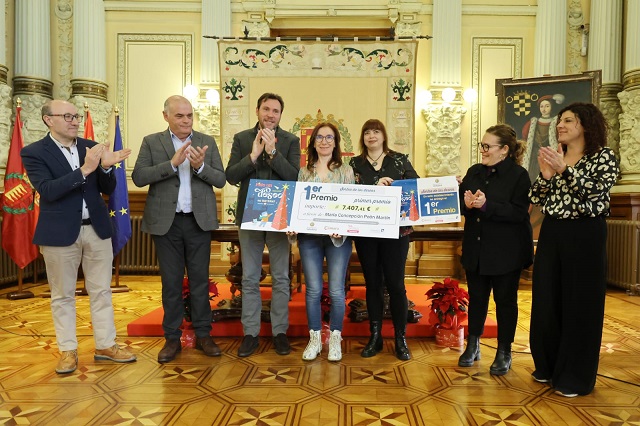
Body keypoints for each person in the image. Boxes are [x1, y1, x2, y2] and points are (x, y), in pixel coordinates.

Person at [21, 100, 136, 374]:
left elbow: (107, 189)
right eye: (67, 116)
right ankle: (68, 350)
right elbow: (48, 190)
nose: (75, 121)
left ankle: (106, 346)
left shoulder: (90, 146)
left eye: (76, 116)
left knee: (102, 291)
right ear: (49, 120)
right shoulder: (34, 152)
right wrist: (85, 169)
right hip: (59, 233)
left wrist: (105, 168)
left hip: (97, 229)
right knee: (62, 295)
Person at [529, 102, 619, 397]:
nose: (560, 125)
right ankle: (548, 365)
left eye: (568, 120)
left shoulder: (603, 156)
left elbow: (594, 191)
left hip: (585, 233)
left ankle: (574, 377)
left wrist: (564, 170)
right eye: (560, 121)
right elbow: (535, 197)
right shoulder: (558, 155)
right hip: (553, 231)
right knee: (547, 299)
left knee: (580, 303)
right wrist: (545, 176)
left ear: (586, 125)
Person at [132, 95, 226, 363]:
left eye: (189, 115)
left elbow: (220, 179)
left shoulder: (206, 141)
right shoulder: (152, 142)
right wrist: (172, 164)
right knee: (171, 283)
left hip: (198, 222)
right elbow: (139, 177)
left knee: (200, 282)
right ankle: (172, 338)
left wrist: (200, 167)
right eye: (179, 116)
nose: (186, 120)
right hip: (167, 223)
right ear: (166, 116)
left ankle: (204, 335)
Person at [225, 93, 300, 357]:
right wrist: (253, 156)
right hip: (250, 216)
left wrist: (272, 153)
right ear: (257, 110)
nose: (270, 114)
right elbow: (231, 176)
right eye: (266, 109)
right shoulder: (242, 138)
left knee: (281, 277)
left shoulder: (290, 141)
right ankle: (250, 333)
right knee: (249, 277)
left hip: (280, 217)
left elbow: (295, 177)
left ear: (280, 115)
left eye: (275, 111)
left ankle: (279, 332)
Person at [457, 124, 533, 375]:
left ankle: (504, 351)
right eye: (482, 145)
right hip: (476, 248)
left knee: (505, 302)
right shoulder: (474, 172)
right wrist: (466, 202)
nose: (483, 150)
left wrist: (487, 205)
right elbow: (464, 205)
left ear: (504, 150)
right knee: (477, 298)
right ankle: (473, 344)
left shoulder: (519, 176)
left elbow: (519, 212)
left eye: (487, 146)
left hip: (506, 251)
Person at [350, 119, 419, 361]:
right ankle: (375, 336)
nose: (371, 136)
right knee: (372, 284)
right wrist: (374, 186)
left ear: (383, 135)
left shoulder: (399, 160)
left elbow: (415, 186)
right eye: (367, 132)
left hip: (396, 233)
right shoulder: (354, 164)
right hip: (366, 233)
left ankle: (400, 338)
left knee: (396, 285)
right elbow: (348, 194)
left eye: (376, 131)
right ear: (363, 137)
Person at [292, 122, 355, 362]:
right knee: (313, 290)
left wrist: (343, 227)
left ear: (336, 142)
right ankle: (315, 339)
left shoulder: (346, 171)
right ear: (313, 142)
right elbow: (299, 205)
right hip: (309, 238)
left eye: (329, 137)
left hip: (337, 240)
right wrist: (293, 225)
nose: (324, 141)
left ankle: (335, 338)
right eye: (319, 137)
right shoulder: (304, 172)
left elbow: (351, 205)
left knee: (337, 290)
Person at [521, 94, 563, 183]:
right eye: (542, 106)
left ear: (551, 107)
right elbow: (525, 136)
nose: (544, 109)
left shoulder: (555, 123)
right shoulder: (532, 123)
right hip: (535, 156)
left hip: (549, 155)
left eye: (547, 106)